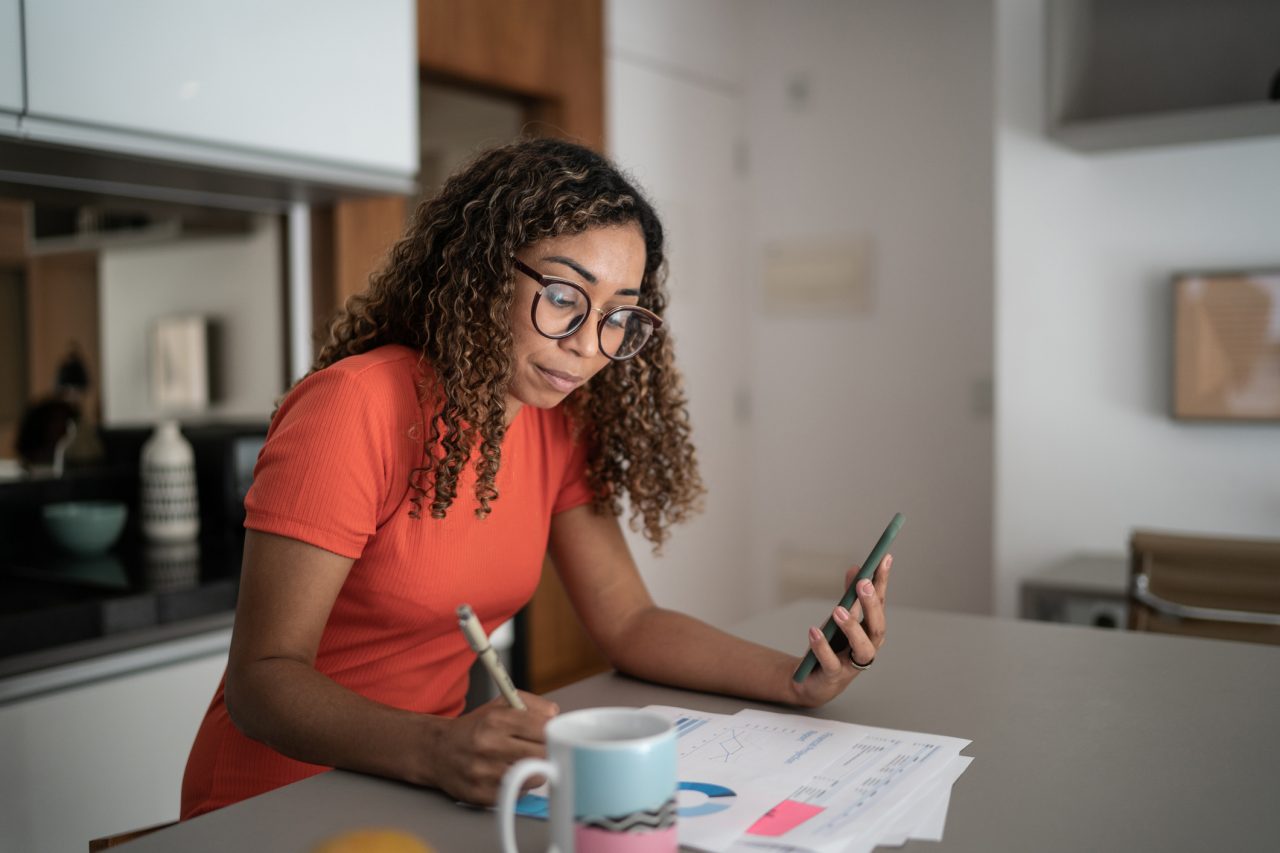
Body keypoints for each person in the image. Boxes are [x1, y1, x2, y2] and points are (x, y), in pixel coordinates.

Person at [180, 138, 891, 818]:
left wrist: (797, 679)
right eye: (562, 295)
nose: (587, 344)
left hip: (410, 785)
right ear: (484, 269)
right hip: (269, 803)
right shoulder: (355, 406)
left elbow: (630, 622)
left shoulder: (552, 419)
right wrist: (436, 748)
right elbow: (262, 679)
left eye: (618, 315)